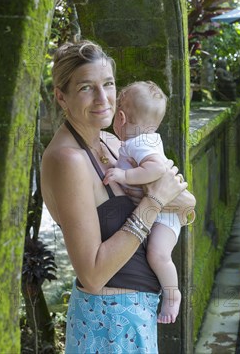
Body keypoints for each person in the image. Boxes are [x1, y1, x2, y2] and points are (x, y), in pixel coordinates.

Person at [41, 40, 192, 353]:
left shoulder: (111, 141)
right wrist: (154, 202)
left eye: (108, 84)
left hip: (136, 316)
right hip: (109, 322)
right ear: (61, 97)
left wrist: (169, 198)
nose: (103, 98)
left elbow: (186, 202)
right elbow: (94, 275)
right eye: (86, 87)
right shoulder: (68, 160)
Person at [103, 81, 196, 324]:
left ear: (120, 117)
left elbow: (155, 169)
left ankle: (172, 294)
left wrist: (124, 176)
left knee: (158, 255)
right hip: (162, 209)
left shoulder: (140, 143)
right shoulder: (137, 142)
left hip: (165, 215)